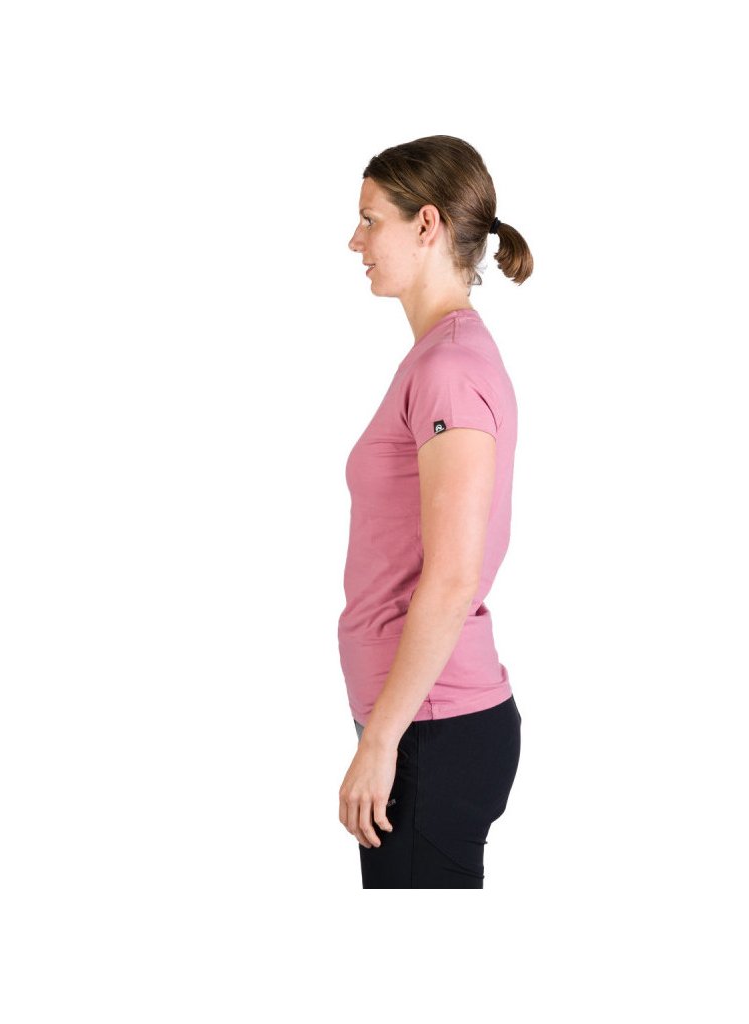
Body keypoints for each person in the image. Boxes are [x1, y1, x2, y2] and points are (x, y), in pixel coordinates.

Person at [337, 135, 533, 888]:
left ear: (426, 225)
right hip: (423, 724)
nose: (355, 241)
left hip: (430, 729)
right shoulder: (440, 357)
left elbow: (452, 579)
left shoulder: (450, 367)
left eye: (370, 220)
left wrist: (381, 741)